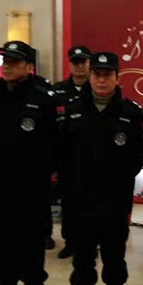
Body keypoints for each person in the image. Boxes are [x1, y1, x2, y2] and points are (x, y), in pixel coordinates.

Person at [60, 52, 143, 285]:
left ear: (117, 78)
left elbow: (139, 154)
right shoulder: (72, 110)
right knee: (82, 258)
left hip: (114, 200)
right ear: (90, 77)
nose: (101, 80)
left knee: (114, 257)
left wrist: (119, 178)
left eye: (107, 75)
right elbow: (62, 154)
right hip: (80, 200)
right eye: (97, 74)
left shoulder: (131, 112)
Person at [0, 41, 58, 285]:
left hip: (30, 186)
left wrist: (47, 176)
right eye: (5, 61)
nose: (8, 66)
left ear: (29, 66)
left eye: (14, 62)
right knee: (0, 240)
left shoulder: (44, 97)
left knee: (31, 242)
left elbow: (55, 142)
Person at [53, 45, 92, 259]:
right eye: (75, 62)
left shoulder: (97, 88)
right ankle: (70, 242)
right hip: (67, 158)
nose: (79, 66)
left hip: (91, 157)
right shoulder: (58, 91)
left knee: (90, 204)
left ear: (89, 64)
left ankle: (89, 243)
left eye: (83, 62)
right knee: (69, 203)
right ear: (70, 64)